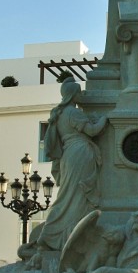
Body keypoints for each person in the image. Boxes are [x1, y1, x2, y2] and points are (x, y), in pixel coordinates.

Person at [36, 76, 108, 254]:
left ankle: (58, 234)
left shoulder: (60, 114)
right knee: (76, 195)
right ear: (72, 95)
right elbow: (93, 131)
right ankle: (53, 234)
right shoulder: (72, 113)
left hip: (70, 155)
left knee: (68, 195)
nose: (81, 94)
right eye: (78, 92)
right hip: (79, 154)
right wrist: (106, 118)